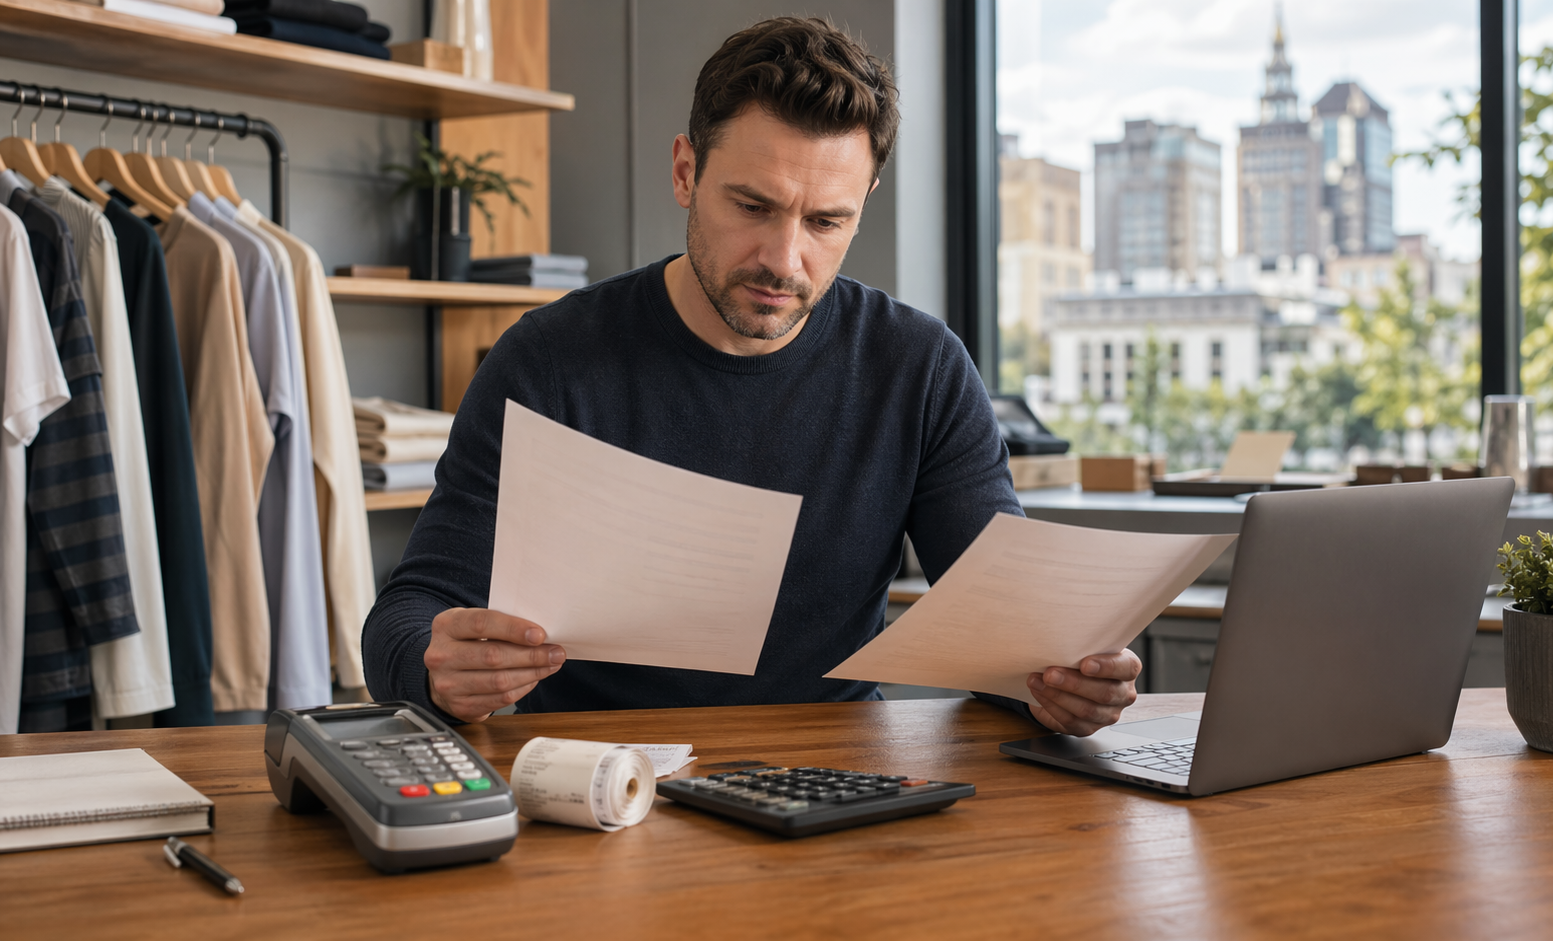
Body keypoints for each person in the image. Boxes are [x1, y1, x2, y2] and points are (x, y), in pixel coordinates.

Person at [362, 16, 1140, 735]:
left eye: (825, 222)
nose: (783, 257)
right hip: (598, 782)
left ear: (863, 205)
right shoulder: (551, 358)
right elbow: (406, 614)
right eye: (752, 206)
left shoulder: (921, 368)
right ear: (684, 171)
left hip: (831, 781)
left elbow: (1005, 640)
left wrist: (1060, 682)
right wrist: (436, 666)